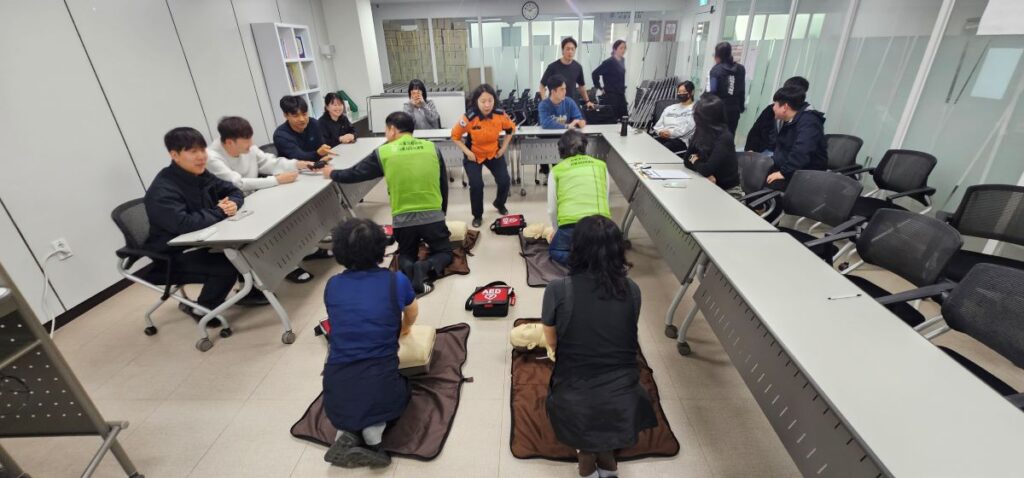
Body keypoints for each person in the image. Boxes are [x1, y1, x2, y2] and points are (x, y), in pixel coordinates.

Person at [542, 215, 656, 478]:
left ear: (576, 248)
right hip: (626, 399)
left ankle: (587, 457)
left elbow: (552, 342)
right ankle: (604, 458)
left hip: (573, 400)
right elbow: (626, 334)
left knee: (573, 397)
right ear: (619, 249)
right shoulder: (634, 290)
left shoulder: (558, 290)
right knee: (602, 404)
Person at [321, 217, 417, 469]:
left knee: (355, 398)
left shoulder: (332, 285)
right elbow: (412, 311)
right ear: (381, 248)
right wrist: (405, 328)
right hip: (381, 383)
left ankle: (346, 434)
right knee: (403, 388)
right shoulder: (396, 281)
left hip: (335, 386)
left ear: (339, 252)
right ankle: (373, 438)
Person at [323, 111, 451, 294]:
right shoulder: (432, 148)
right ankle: (425, 267)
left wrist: (332, 173)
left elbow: (355, 174)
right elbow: (442, 183)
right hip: (433, 215)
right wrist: (442, 213)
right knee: (444, 252)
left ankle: (410, 269)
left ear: (392, 130)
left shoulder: (384, 152)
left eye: (385, 130)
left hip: (402, 218)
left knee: (406, 253)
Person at [144, 127, 260, 328]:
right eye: (192, 151)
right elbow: (184, 224)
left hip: (202, 239)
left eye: (202, 150)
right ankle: (202, 309)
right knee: (228, 264)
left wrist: (232, 203)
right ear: (174, 155)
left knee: (244, 249)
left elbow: (233, 189)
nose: (201, 157)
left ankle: (247, 291)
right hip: (172, 253)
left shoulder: (199, 174)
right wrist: (220, 211)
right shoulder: (163, 190)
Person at [206, 116, 326, 283]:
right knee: (275, 227)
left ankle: (305, 250)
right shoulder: (211, 157)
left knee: (290, 214)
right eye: (246, 140)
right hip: (233, 208)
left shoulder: (248, 147)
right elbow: (237, 184)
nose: (251, 143)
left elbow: (270, 163)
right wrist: (276, 180)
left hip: (254, 198)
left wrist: (298, 164)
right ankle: (286, 266)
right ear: (229, 143)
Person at [451, 83, 516, 228]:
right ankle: (477, 215)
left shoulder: (500, 115)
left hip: (493, 152)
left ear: (494, 100)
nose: (487, 105)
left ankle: (499, 203)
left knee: (505, 180)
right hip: (473, 155)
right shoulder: (469, 117)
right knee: (476, 185)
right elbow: (455, 136)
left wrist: (503, 148)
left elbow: (511, 130)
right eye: (483, 101)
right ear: (476, 102)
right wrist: (467, 153)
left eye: (490, 101)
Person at [547, 130, 611, 266]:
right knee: (603, 247)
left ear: (561, 149)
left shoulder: (556, 170)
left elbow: (552, 209)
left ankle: (581, 262)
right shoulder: (601, 165)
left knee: (555, 250)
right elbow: (606, 196)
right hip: (601, 225)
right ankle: (597, 257)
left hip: (571, 225)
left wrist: (556, 229)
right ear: (585, 146)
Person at [765, 85, 827, 190]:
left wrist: (784, 172)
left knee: (766, 186)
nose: (773, 107)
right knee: (755, 173)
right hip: (786, 167)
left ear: (785, 107)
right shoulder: (789, 120)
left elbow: (801, 152)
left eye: (775, 104)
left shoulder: (809, 122)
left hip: (805, 175)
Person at [682, 94, 740, 194]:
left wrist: (695, 160)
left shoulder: (725, 137)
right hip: (707, 184)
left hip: (728, 192)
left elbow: (706, 169)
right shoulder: (701, 131)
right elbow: (687, 160)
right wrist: (700, 166)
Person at [744, 76, 810, 154]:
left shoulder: (805, 118)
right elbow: (755, 131)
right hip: (764, 149)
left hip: (782, 156)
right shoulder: (771, 109)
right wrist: (750, 149)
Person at [273, 95, 336, 161]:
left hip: (317, 165)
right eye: (295, 116)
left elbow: (322, 146)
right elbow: (298, 157)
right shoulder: (280, 135)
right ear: (286, 115)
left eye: (304, 114)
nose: (302, 119)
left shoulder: (314, 124)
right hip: (295, 169)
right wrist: (318, 154)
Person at [539, 37, 595, 109]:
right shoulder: (552, 67)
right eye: (567, 49)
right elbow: (542, 86)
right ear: (562, 50)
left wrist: (587, 101)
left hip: (572, 105)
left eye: (572, 49)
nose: (570, 52)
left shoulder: (577, 67)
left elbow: (581, 86)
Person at [708, 42, 746, 134]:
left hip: (719, 110)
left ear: (717, 56)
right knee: (729, 138)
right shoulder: (741, 69)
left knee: (715, 139)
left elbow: (711, 91)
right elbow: (742, 89)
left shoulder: (715, 70)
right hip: (734, 110)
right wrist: (741, 107)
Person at [653, 81, 696, 153]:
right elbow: (658, 125)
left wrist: (670, 133)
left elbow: (688, 130)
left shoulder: (696, 109)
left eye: (684, 91)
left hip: (681, 140)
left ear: (692, 92)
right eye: (679, 92)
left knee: (661, 150)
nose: (681, 94)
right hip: (664, 136)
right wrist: (660, 132)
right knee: (650, 145)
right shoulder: (669, 108)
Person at [591, 40, 628, 118]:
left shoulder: (622, 60)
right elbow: (595, 73)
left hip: (621, 94)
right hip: (611, 95)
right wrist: (599, 88)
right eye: (621, 48)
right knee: (612, 118)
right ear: (615, 49)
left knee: (624, 117)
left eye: (624, 48)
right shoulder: (608, 62)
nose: (623, 50)